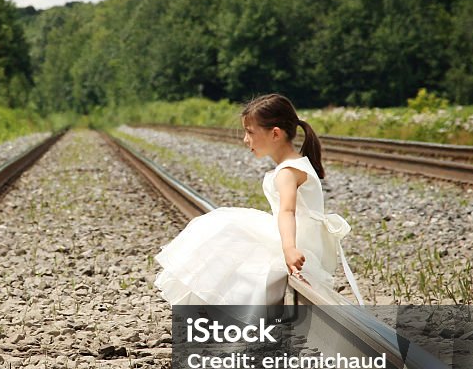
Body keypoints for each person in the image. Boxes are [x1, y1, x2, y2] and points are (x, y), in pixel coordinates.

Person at [154, 93, 362, 306]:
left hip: (297, 241)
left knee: (225, 231)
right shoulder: (297, 163)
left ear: (275, 134)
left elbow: (287, 211)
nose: (246, 139)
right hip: (300, 237)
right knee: (230, 236)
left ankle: (227, 309)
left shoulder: (288, 172)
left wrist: (289, 248)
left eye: (250, 132)